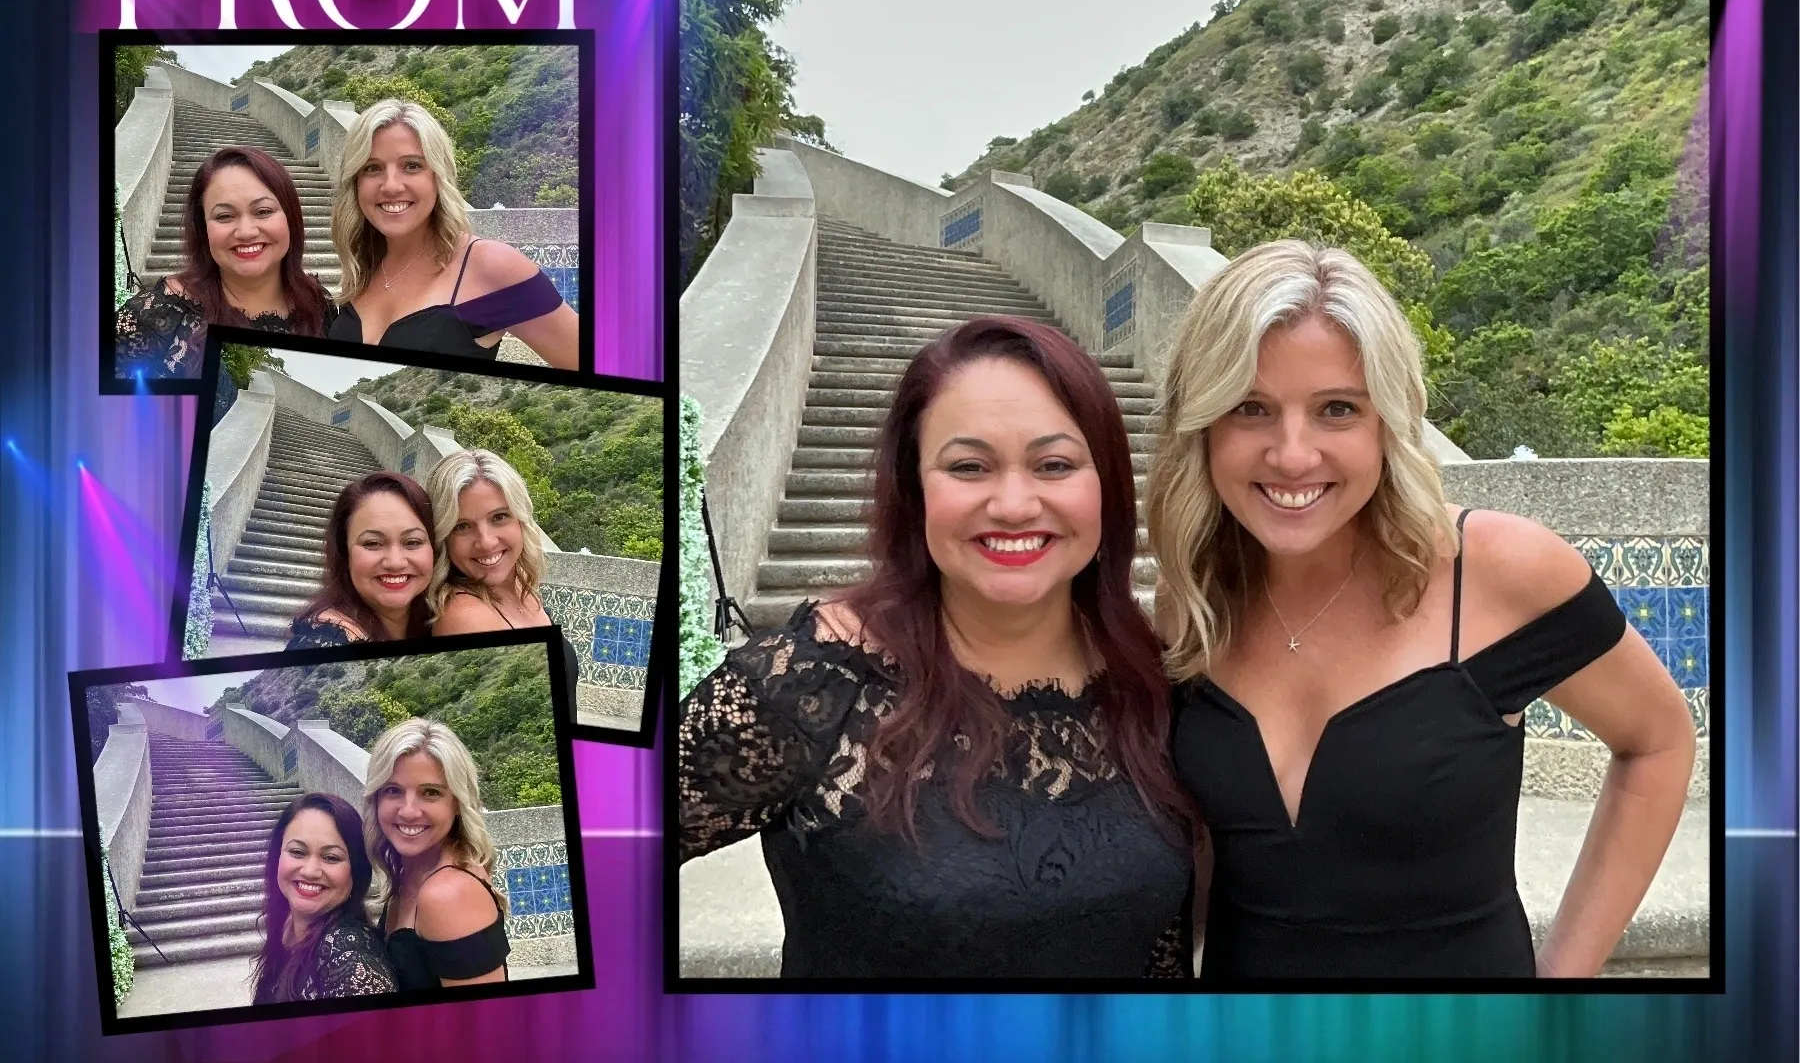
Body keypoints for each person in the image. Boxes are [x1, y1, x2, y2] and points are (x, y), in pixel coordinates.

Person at [1147, 239, 1697, 980]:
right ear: (1204, 423)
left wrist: (1565, 980)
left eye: (1337, 409)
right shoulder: (1198, 601)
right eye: (1251, 408)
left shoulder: (1497, 573)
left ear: (1388, 421)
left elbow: (1659, 740)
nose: (1292, 454)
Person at [677, 315, 1194, 979]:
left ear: (1107, 486)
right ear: (916, 489)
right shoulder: (812, 684)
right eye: (969, 466)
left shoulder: (1150, 683)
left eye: (1054, 464)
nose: (1013, 503)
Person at [327, 99, 579, 367]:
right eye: (372, 168)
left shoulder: (491, 266)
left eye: (412, 165)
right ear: (356, 183)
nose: (390, 186)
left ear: (438, 176)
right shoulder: (363, 266)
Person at [115, 145, 335, 380]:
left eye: (262, 211)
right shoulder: (149, 319)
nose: (246, 232)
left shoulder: (319, 305)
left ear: (290, 218)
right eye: (224, 216)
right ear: (203, 229)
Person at [362, 718, 511, 989]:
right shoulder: (409, 873)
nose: (408, 810)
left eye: (430, 793)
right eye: (393, 790)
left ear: (457, 802)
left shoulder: (448, 894)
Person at [425, 449, 579, 703]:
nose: (486, 542)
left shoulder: (521, 586)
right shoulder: (465, 616)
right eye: (462, 526)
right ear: (444, 537)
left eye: (499, 517)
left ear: (520, 519)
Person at [251, 793, 395, 1003]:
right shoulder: (287, 927)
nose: (310, 871)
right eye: (298, 852)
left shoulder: (350, 957)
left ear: (355, 872)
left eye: (331, 857)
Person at [287, 473, 435, 649]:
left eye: (412, 542)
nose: (395, 562)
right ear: (344, 551)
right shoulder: (324, 642)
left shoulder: (440, 623)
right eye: (372, 543)